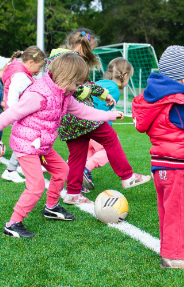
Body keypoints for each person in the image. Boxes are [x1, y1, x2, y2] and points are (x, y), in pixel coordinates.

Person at [0, 53, 124, 238]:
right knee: (36, 186)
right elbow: (10, 115)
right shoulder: (38, 95)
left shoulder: (64, 94)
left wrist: (108, 115)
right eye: (77, 84)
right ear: (67, 78)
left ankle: (51, 207)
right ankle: (13, 224)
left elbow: (82, 111)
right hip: (26, 146)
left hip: (42, 145)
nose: (79, 88)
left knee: (62, 170)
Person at [45, 28, 151, 205]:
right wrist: (90, 94)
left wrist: (103, 94)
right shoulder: (68, 59)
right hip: (80, 115)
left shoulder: (57, 57)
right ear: (81, 46)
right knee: (110, 138)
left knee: (77, 154)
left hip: (67, 120)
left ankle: (72, 193)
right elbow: (73, 87)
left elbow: (85, 83)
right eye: (90, 49)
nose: (90, 54)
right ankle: (127, 176)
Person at [132, 45, 184, 269]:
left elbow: (172, 130)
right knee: (180, 211)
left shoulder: (160, 99)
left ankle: (173, 248)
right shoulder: (177, 101)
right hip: (175, 168)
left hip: (163, 165)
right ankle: (174, 256)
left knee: (169, 211)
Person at [82, 57, 133, 192]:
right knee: (107, 150)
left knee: (88, 151)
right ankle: (86, 169)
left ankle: (78, 178)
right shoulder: (114, 90)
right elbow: (100, 109)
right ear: (125, 76)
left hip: (81, 123)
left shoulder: (100, 82)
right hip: (94, 125)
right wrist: (107, 124)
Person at [0, 46, 46, 183]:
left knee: (31, 140)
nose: (39, 72)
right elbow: (12, 98)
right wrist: (18, 114)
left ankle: (26, 166)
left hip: (21, 114)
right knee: (25, 142)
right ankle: (10, 170)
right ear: (31, 62)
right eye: (39, 67)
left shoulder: (21, 72)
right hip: (20, 115)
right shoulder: (21, 76)